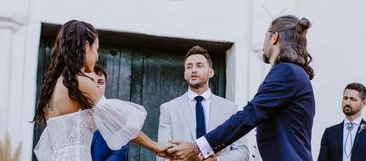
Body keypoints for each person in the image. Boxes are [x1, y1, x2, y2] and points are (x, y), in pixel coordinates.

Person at [167, 15, 316, 161]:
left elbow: (250, 114)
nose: (264, 43)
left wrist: (196, 147)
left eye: (266, 36)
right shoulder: (292, 72)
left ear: (274, 37)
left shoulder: (286, 71)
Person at [33, 20, 170, 161]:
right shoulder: (80, 82)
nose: (97, 56)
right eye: (96, 49)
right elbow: (119, 123)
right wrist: (155, 147)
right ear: (86, 46)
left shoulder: (53, 89)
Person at [157, 46, 248, 161]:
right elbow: (162, 156)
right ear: (185, 74)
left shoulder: (230, 108)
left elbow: (242, 152)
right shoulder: (168, 109)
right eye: (189, 67)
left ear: (211, 72)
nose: (193, 70)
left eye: (199, 65)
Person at [317, 83, 366, 161]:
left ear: (363, 103)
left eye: (353, 99)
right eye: (345, 98)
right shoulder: (330, 132)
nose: (347, 102)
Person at [90, 65, 128, 161]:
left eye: (101, 82)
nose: (96, 85)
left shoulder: (115, 115)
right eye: (91, 81)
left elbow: (119, 154)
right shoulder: (71, 112)